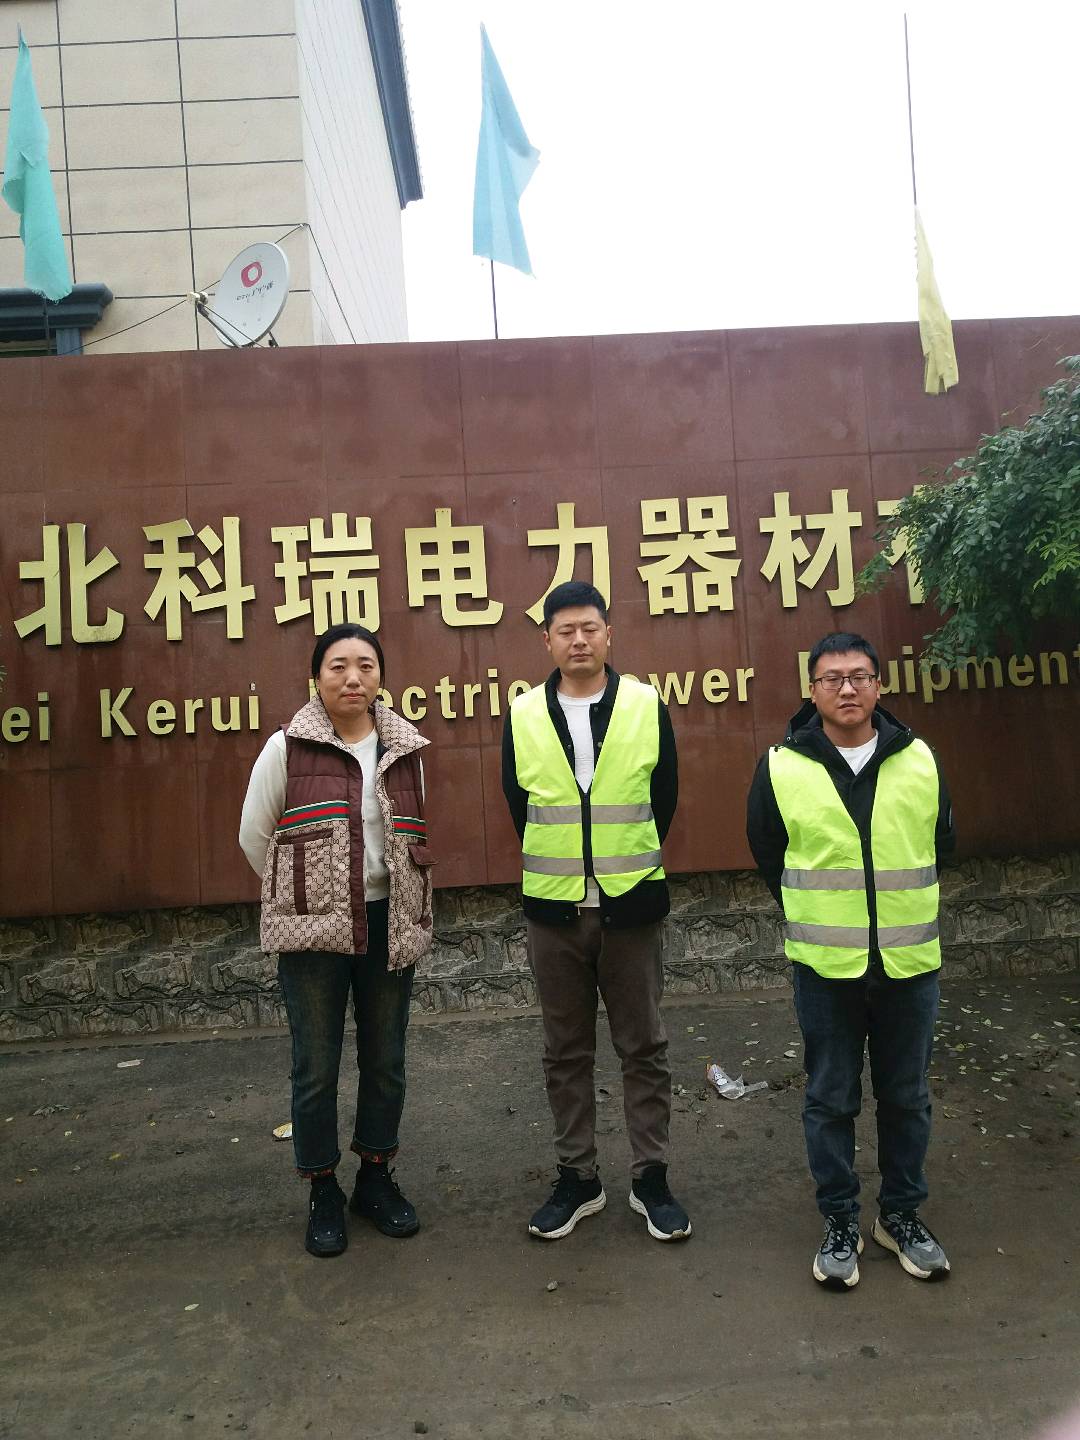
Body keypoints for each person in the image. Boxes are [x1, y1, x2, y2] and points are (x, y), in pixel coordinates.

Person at [746, 631, 954, 1289]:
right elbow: (767, 850)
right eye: (832, 678)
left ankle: (900, 1216)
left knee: (906, 1098)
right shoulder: (783, 765)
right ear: (812, 690)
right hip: (825, 969)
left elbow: (941, 842)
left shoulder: (918, 759)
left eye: (859, 675)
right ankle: (839, 1221)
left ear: (878, 685)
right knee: (830, 1099)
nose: (847, 688)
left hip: (908, 965)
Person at [239, 623, 435, 1258]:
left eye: (366, 666)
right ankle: (322, 1188)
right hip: (314, 933)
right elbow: (255, 837)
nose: (353, 678)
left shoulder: (404, 747)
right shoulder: (287, 748)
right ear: (316, 678)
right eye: (338, 666)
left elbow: (412, 833)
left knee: (385, 1059)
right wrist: (303, 898)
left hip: (388, 922)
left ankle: (375, 1178)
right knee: (316, 1066)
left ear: (382, 676)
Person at [502, 581, 689, 1242]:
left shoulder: (644, 704)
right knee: (565, 1051)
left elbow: (663, 798)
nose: (578, 640)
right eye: (566, 630)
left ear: (609, 634)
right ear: (547, 641)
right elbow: (518, 805)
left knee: (644, 1047)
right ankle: (577, 1178)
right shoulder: (524, 713)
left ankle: (651, 1178)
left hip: (630, 906)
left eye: (590, 628)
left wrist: (617, 866)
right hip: (553, 914)